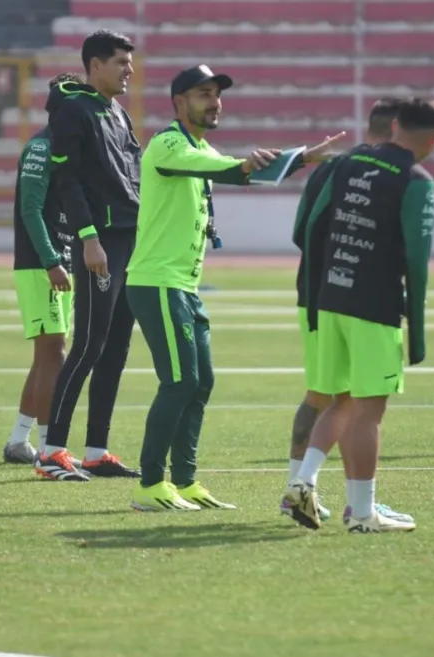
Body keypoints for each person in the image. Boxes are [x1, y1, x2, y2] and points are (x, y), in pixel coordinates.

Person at [126, 65, 344, 511]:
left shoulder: (200, 147)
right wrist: (247, 163)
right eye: (203, 94)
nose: (215, 102)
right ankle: (149, 485)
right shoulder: (168, 143)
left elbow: (245, 173)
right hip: (157, 282)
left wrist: (303, 157)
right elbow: (232, 170)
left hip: (183, 286)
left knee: (200, 383)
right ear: (179, 102)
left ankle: (184, 481)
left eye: (217, 94)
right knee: (179, 382)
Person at [284, 98, 434, 532]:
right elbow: (417, 261)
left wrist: (319, 285)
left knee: (341, 400)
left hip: (328, 296)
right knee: (369, 412)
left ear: (394, 126)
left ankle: (302, 482)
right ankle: (362, 513)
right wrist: (418, 333)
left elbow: (309, 227)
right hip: (374, 304)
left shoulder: (347, 163)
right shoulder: (416, 180)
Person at [34, 30, 143, 481]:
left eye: (130, 62)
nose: (129, 70)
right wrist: (88, 237)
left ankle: (96, 451)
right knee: (88, 347)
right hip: (100, 243)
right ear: (95, 65)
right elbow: (68, 181)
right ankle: (50, 452)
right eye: (120, 62)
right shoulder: (74, 110)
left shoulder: (117, 111)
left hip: (130, 241)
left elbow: (133, 175)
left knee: (115, 349)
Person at [3, 71, 85, 465]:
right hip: (41, 262)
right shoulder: (41, 147)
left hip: (59, 258)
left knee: (47, 354)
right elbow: (31, 209)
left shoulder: (67, 146)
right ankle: (51, 448)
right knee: (54, 351)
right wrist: (51, 260)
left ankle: (19, 440)